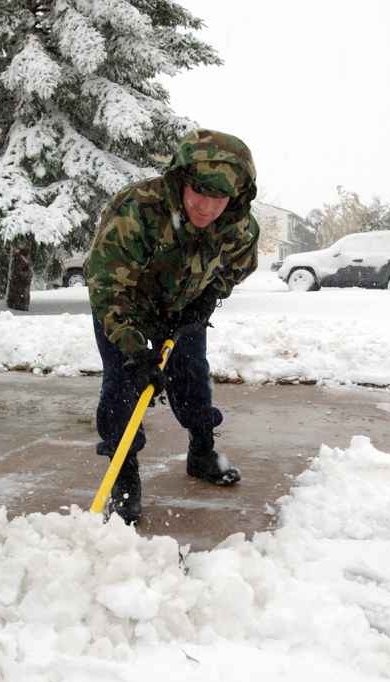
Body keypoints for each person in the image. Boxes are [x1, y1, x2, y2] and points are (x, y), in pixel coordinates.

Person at [85, 128, 259, 525]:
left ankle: (201, 451)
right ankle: (125, 475)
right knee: (123, 384)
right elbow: (108, 286)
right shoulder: (138, 210)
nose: (207, 206)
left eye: (220, 196)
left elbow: (240, 265)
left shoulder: (239, 226)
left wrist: (208, 297)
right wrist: (133, 350)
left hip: (181, 309)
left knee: (191, 375)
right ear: (182, 178)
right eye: (199, 190)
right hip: (124, 304)